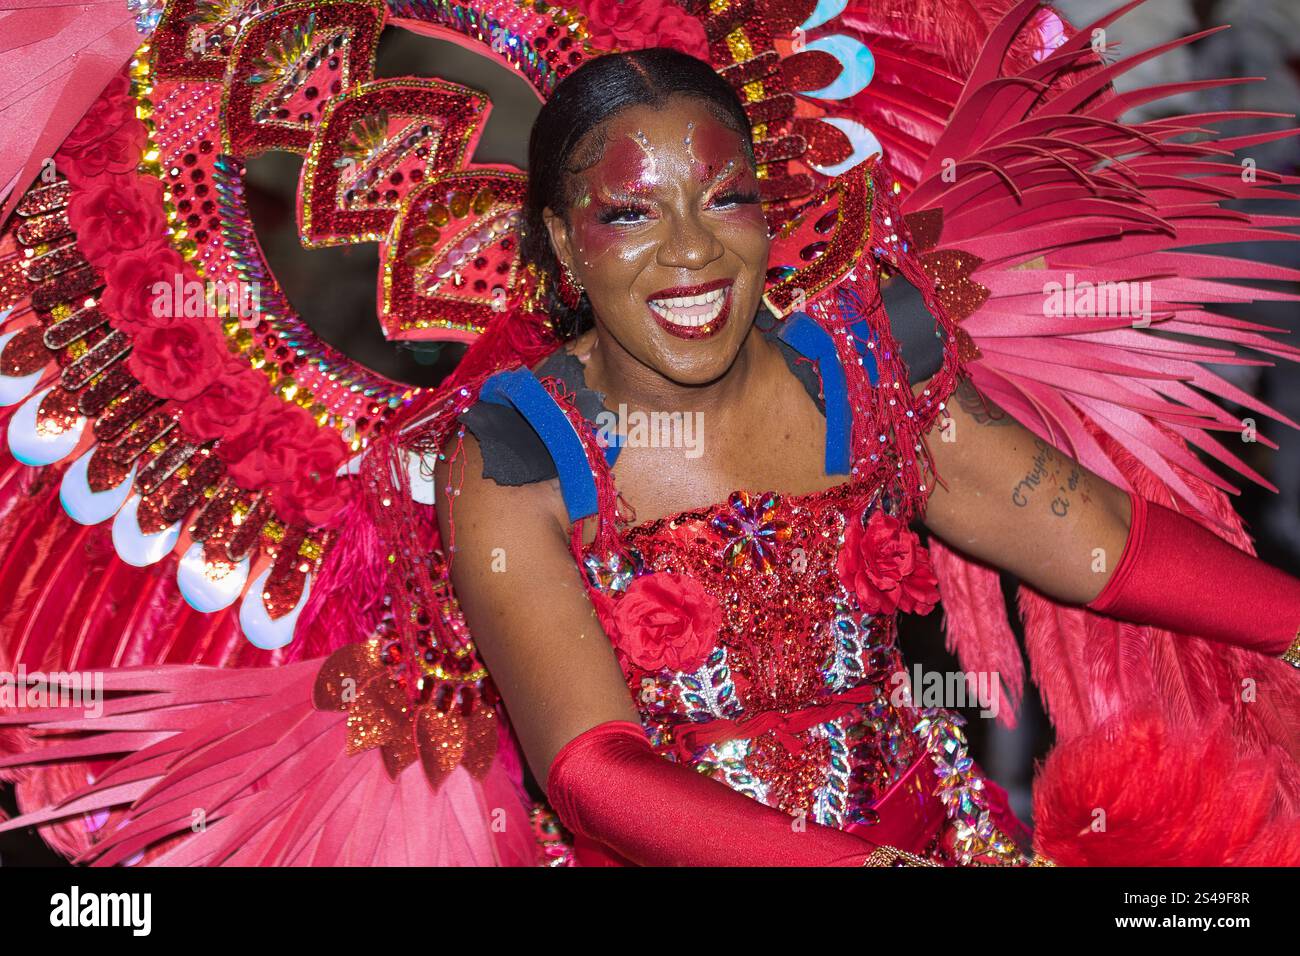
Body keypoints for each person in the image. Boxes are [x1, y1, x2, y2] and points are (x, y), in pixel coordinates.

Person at [412, 48, 1300, 867]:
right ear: (566, 244)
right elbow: (593, 771)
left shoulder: (859, 371)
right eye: (630, 214)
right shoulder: (512, 457)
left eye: (726, 198)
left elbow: (1094, 538)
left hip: (934, 835)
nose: (692, 250)